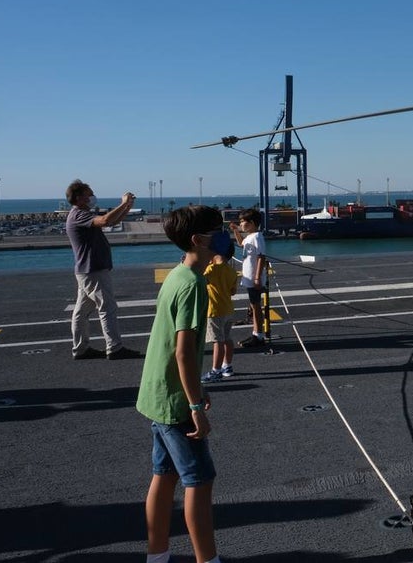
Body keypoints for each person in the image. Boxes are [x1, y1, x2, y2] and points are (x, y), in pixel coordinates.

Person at [136, 204, 225, 563]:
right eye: (218, 230)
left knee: (164, 476)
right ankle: (208, 560)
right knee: (199, 482)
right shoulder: (194, 286)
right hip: (175, 403)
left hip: (156, 395)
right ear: (198, 239)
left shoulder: (177, 275)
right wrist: (194, 406)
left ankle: (157, 556)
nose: (225, 235)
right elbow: (185, 353)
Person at [64, 179, 141, 360]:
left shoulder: (81, 214)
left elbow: (112, 220)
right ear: (79, 198)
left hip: (87, 270)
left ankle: (81, 348)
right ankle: (114, 348)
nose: (92, 197)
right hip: (93, 270)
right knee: (107, 307)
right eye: (89, 194)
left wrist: (127, 206)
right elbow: (106, 220)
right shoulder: (79, 215)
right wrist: (122, 203)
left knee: (81, 311)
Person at [201, 232, 238, 383]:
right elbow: (233, 291)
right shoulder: (231, 271)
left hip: (214, 310)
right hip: (228, 308)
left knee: (218, 341)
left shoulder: (210, 270)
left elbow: (198, 280)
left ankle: (215, 370)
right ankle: (227, 366)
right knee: (227, 339)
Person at [230, 209, 267, 348]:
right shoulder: (250, 236)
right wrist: (235, 231)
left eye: (242, 221)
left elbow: (261, 256)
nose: (241, 224)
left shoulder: (257, 236)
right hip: (249, 277)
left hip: (253, 278)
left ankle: (258, 336)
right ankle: (256, 334)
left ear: (251, 223)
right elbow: (241, 244)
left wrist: (257, 278)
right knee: (254, 306)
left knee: (256, 307)